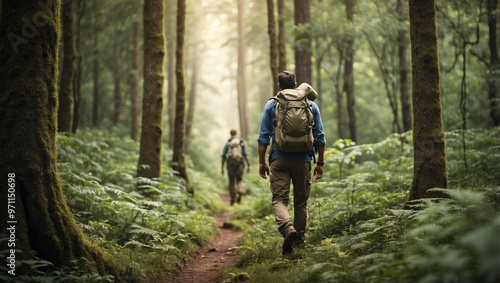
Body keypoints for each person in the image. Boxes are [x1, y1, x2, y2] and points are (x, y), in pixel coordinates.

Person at [257, 71, 326, 255]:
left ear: (279, 86)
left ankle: (288, 229)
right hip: (303, 159)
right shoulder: (310, 105)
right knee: (301, 203)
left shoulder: (272, 104)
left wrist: (261, 162)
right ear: (295, 85)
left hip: (278, 159)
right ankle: (299, 242)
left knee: (280, 199)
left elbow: (263, 137)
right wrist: (320, 163)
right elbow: (320, 137)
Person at [221, 129, 251, 205]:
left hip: (230, 166)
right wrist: (248, 165)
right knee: (239, 180)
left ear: (230, 134)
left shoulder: (228, 144)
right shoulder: (241, 143)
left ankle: (233, 199)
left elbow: (223, 157)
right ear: (236, 133)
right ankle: (240, 192)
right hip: (239, 165)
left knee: (231, 183)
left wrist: (222, 168)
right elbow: (246, 155)